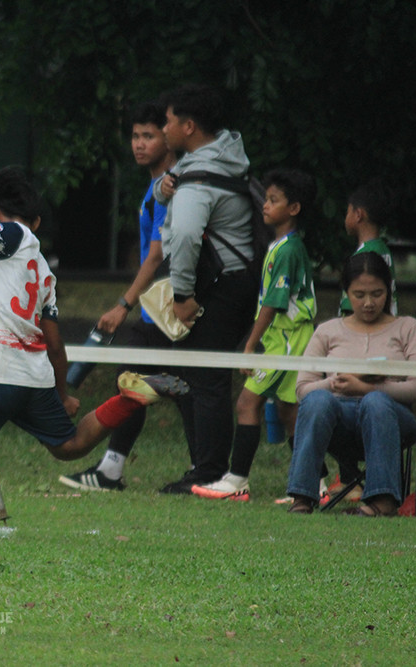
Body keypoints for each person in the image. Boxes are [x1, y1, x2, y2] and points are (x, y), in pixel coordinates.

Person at [0, 164, 189, 539]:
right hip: (32, 376)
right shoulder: (42, 269)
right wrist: (61, 393)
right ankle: (130, 398)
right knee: (68, 445)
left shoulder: (11, 235)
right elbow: (54, 343)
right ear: (38, 220)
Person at [59, 100, 176, 492]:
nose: (139, 144)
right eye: (135, 136)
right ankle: (111, 469)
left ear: (170, 136)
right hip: (154, 308)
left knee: (186, 386)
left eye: (149, 135)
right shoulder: (155, 183)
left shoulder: (170, 187)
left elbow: (158, 255)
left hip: (168, 307)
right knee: (138, 382)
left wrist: (124, 303)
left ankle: (214, 472)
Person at [151, 83, 257, 494]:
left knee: (205, 378)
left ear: (189, 126)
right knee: (195, 372)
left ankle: (209, 473)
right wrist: (164, 189)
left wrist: (181, 296)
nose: (163, 128)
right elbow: (175, 200)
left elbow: (186, 236)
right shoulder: (223, 155)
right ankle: (204, 467)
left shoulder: (197, 176)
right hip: (235, 279)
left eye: (168, 121)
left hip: (218, 285)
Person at [191, 168, 317, 501]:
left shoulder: (287, 250)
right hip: (288, 340)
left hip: (288, 341)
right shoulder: (282, 246)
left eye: (274, 200)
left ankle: (237, 480)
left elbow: (274, 304)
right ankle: (315, 484)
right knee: (290, 411)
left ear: (294, 209)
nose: (266, 206)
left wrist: (249, 345)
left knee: (247, 402)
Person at [285, 252, 416, 516]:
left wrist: (369, 388)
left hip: (392, 417)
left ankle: (382, 500)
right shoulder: (327, 331)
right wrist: (336, 382)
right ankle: (302, 497)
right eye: (359, 295)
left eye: (377, 293)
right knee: (316, 400)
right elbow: (302, 390)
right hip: (339, 417)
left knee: (375, 402)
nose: (369, 303)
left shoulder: (408, 328)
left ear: (389, 290)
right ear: (346, 293)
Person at [338, 178, 398, 317]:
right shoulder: (383, 249)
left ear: (358, 214)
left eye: (348, 212)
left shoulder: (365, 256)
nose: (346, 218)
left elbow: (353, 309)